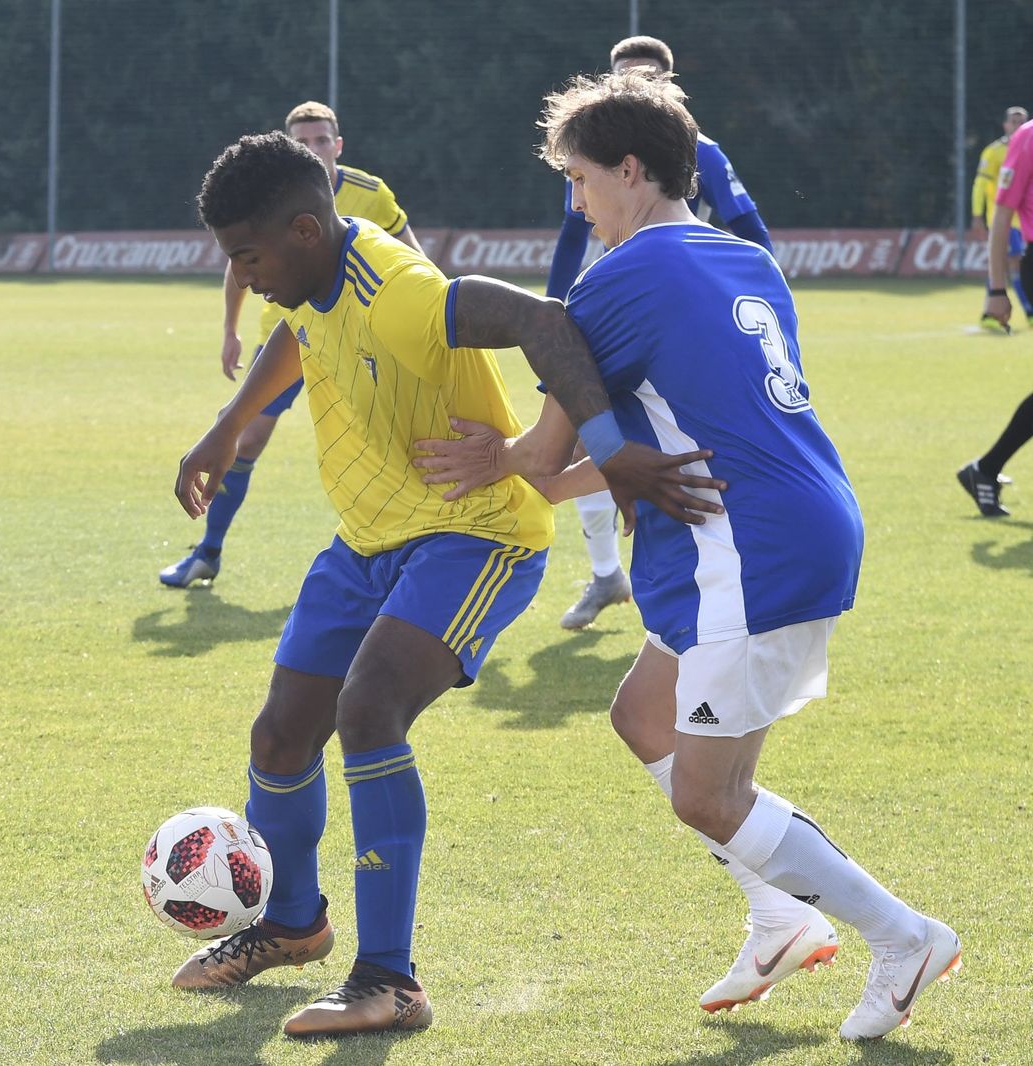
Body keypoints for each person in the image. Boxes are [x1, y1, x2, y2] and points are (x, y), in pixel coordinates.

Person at [416, 71, 959, 1042]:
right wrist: (576, 472)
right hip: (792, 510)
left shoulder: (610, 283)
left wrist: (488, 460)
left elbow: (544, 463)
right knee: (640, 714)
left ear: (630, 170)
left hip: (747, 544)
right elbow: (682, 434)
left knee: (711, 794)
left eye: (580, 180)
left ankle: (902, 934)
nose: (575, 203)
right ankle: (780, 915)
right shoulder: (742, 259)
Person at [169, 130, 720, 1038]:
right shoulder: (307, 277)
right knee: (279, 735)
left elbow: (545, 322)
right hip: (368, 537)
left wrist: (614, 454)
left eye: (247, 257)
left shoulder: (401, 292)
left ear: (305, 231)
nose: (242, 275)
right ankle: (291, 924)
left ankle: (391, 980)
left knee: (369, 709)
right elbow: (293, 335)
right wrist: (230, 427)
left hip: (476, 531)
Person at [547, 35, 774, 631]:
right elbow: (573, 239)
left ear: (671, 83)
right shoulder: (592, 158)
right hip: (630, 293)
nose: (634, 87)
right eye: (622, 77)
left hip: (675, 310)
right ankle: (605, 574)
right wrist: (554, 327)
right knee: (584, 438)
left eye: (646, 77)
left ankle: (698, 586)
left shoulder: (701, 153)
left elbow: (751, 230)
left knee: (599, 437)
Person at [159, 100, 423, 588]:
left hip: (358, 337)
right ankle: (207, 551)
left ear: (338, 145)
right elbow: (241, 263)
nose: (315, 148)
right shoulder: (269, 197)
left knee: (383, 440)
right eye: (302, 141)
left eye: (322, 139)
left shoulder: (369, 193)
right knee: (248, 439)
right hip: (287, 335)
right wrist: (229, 331)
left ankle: (399, 554)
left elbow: (414, 258)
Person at [972, 106, 1032, 331]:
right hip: (1006, 221)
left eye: (1021, 121)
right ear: (1005, 125)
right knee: (1013, 264)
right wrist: (977, 214)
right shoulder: (995, 151)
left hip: (1020, 223)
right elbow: (980, 185)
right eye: (1013, 121)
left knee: (1014, 263)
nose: (1017, 125)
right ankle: (1019, 308)